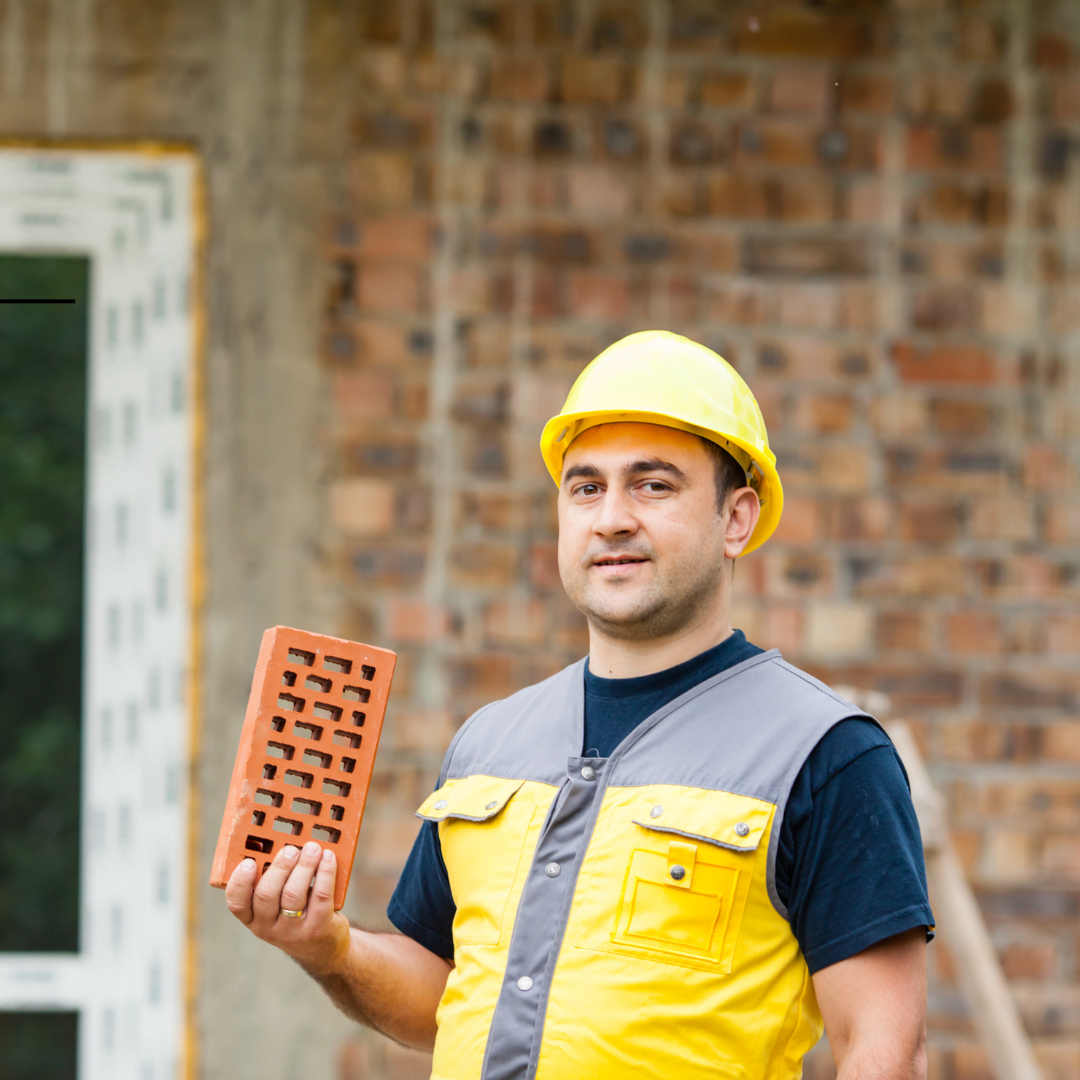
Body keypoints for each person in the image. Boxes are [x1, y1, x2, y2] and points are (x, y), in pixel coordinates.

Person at [226, 331, 933, 1080]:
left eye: (653, 484)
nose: (611, 518)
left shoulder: (825, 755)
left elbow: (881, 1052)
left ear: (737, 519)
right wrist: (330, 948)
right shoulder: (491, 742)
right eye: (586, 486)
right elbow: (441, 994)